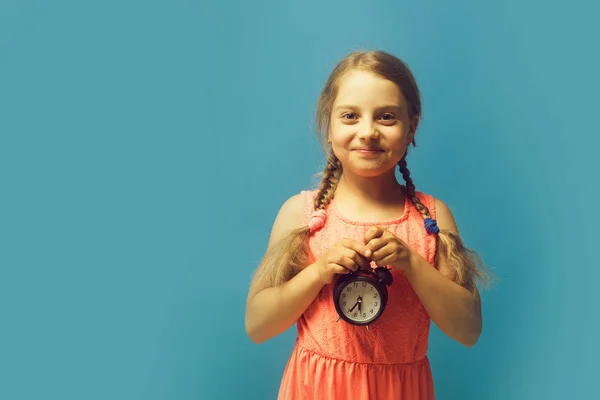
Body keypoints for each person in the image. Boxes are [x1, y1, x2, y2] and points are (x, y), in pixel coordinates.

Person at [245, 50, 492, 399]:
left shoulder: (431, 218)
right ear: (328, 127)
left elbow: (468, 330)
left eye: (386, 117)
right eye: (350, 116)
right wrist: (318, 273)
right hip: (318, 389)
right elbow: (257, 325)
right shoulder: (302, 214)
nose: (368, 132)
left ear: (412, 128)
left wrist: (412, 263)